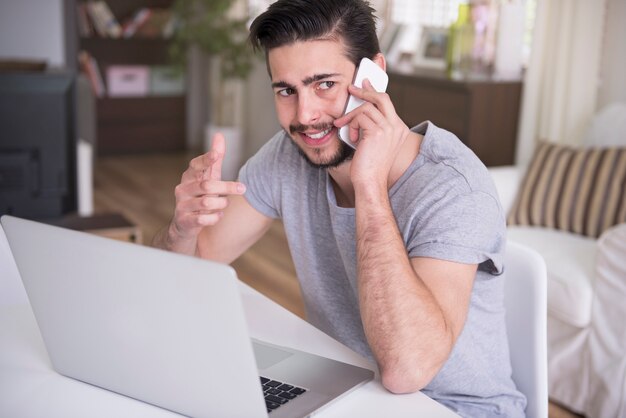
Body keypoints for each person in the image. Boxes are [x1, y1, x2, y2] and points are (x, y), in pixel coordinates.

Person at [154, 0, 526, 416]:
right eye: (286, 91)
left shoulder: (452, 189)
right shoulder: (288, 156)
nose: (305, 115)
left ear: (374, 75)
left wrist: (369, 185)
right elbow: (197, 259)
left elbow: (407, 372)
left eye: (325, 84)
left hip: (452, 409)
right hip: (348, 395)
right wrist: (181, 229)